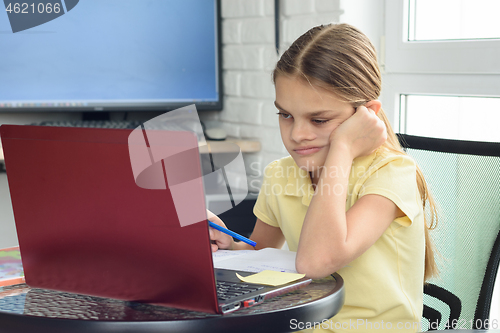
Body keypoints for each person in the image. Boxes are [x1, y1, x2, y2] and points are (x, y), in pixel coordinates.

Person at [209, 23, 438, 332]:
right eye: (285, 115)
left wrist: (342, 149)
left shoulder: (392, 174)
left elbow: (317, 262)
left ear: (365, 115)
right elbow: (260, 253)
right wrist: (227, 243)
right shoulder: (282, 174)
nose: (298, 135)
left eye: (319, 120)